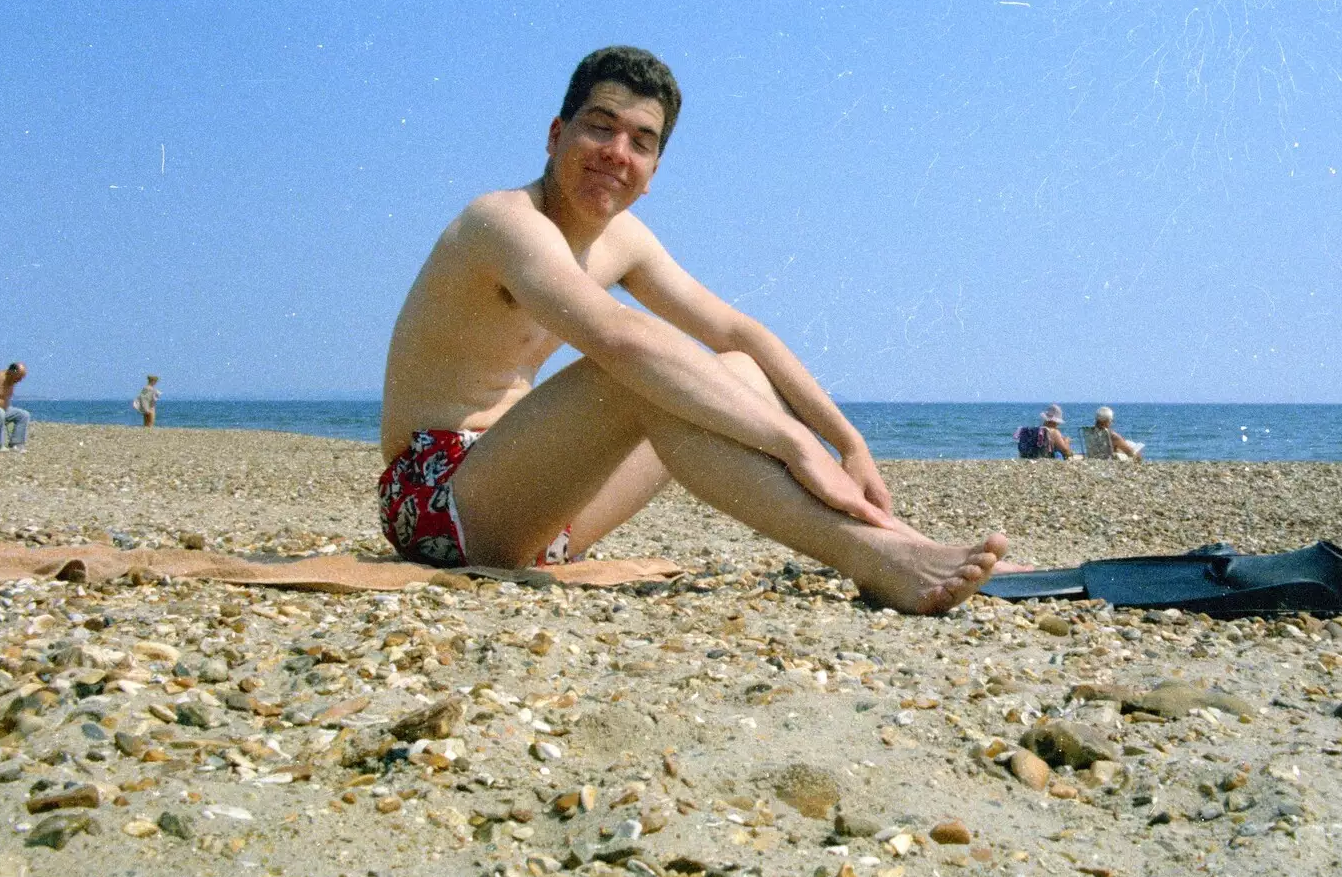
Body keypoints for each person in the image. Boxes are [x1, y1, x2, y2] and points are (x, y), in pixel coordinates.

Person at [379, 45, 1020, 615]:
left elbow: (739, 335)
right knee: (630, 372)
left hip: (546, 512)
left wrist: (845, 441)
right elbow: (619, 339)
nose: (616, 153)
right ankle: (880, 559)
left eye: (641, 141)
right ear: (554, 135)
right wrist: (797, 447)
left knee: (734, 372)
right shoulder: (503, 222)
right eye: (599, 127)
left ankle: (899, 543)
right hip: (438, 497)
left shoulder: (622, 240)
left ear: (654, 170)